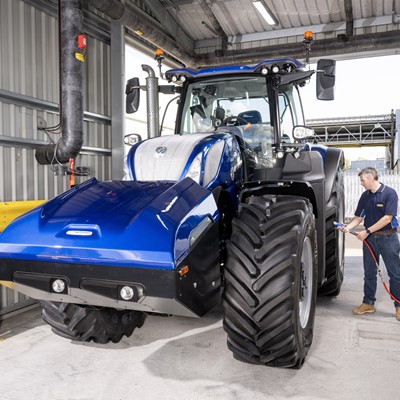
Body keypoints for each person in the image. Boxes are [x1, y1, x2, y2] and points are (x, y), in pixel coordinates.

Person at [338, 167, 400, 321]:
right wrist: (347, 227)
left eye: (362, 180)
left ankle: (398, 306)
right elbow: (358, 217)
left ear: (371, 178)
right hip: (370, 240)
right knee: (369, 273)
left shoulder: (389, 193)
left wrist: (367, 231)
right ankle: (368, 303)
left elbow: (387, 218)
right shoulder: (365, 196)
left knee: (395, 273)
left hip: (388, 238)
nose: (361, 183)